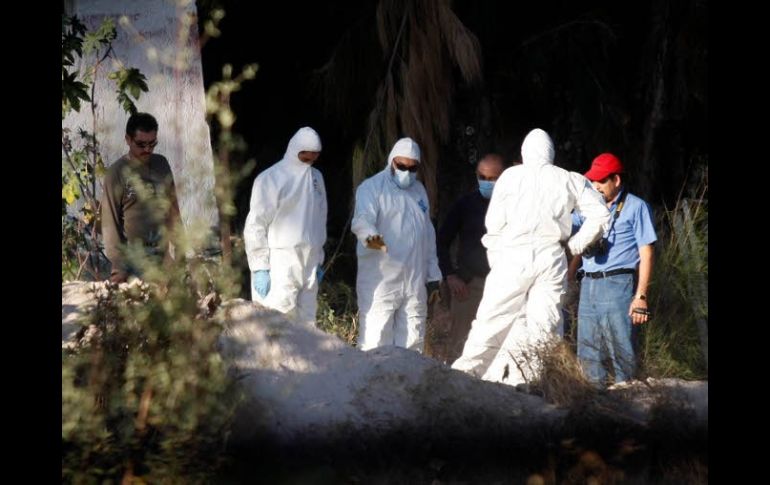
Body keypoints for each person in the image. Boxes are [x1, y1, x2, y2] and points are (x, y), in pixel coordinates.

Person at [451, 128, 611, 386]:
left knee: (492, 318)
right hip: (552, 255)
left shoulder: (510, 177)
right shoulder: (568, 178)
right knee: (545, 324)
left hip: (513, 255)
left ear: (525, 152)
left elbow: (494, 226)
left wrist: (498, 260)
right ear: (551, 153)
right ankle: (534, 383)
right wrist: (575, 244)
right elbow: (601, 215)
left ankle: (465, 377)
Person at [569, 153, 657, 387]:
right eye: (592, 180)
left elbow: (646, 253)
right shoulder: (586, 208)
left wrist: (640, 297)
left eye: (601, 180)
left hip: (618, 284)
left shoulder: (637, 206)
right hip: (588, 284)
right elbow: (578, 242)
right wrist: (569, 276)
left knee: (621, 350)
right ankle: (591, 404)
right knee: (587, 350)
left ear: (616, 180)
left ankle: (629, 400)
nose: (595, 186)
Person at [351, 137, 442, 352]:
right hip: (381, 279)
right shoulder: (372, 188)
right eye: (401, 166)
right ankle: (372, 385)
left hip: (414, 281)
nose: (406, 172)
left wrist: (433, 276)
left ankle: (409, 386)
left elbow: (427, 235)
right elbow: (362, 221)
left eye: (412, 168)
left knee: (413, 342)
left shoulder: (419, 191)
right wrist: (376, 242)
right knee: (376, 341)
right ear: (392, 161)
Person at [243, 127, 327, 326]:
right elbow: (256, 224)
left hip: (309, 261)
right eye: (305, 158)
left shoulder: (316, 178)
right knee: (278, 325)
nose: (309, 163)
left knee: (308, 325)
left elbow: (320, 219)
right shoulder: (270, 178)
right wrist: (260, 267)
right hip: (280, 262)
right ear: (294, 150)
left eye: (314, 158)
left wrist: (319, 258)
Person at [436, 153, 505, 363]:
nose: (487, 182)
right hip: (469, 287)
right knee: (460, 346)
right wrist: (450, 275)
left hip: (504, 287)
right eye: (482, 177)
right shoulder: (465, 204)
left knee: (499, 346)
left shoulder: (515, 205)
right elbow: (441, 241)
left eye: (492, 178)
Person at [101, 112, 181, 284]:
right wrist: (118, 269)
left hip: (162, 257)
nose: (147, 149)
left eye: (152, 144)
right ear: (128, 140)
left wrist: (180, 250)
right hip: (133, 261)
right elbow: (110, 224)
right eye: (141, 144)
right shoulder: (116, 173)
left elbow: (173, 210)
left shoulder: (161, 164)